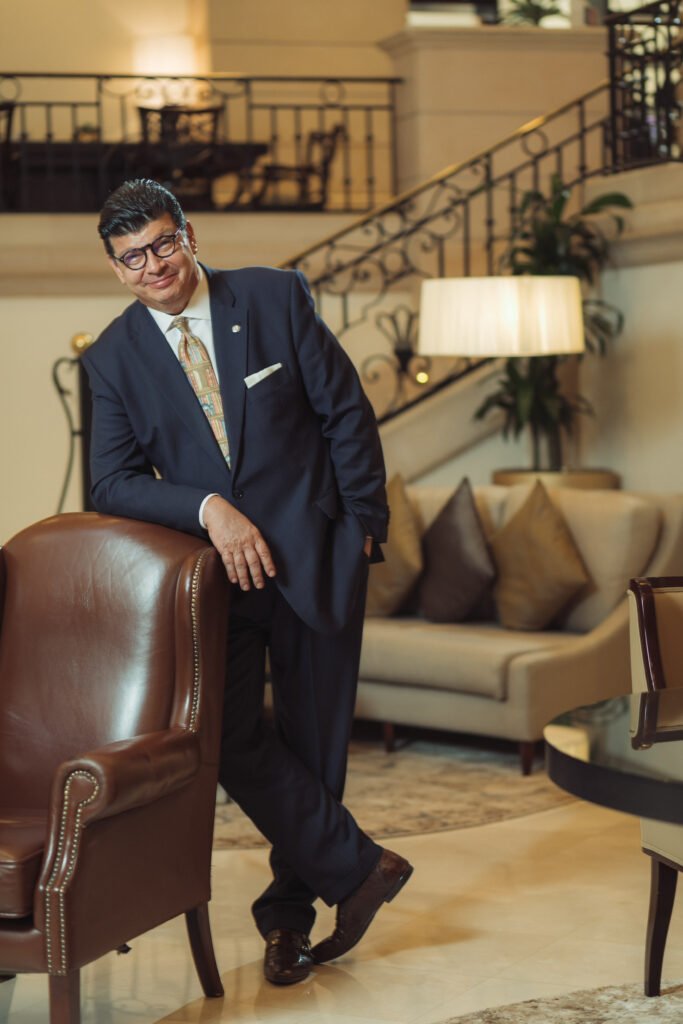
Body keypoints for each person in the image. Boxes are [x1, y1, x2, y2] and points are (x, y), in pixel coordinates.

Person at [81, 179, 413, 987]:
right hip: (214, 577)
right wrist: (209, 509)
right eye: (132, 258)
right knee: (220, 736)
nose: (153, 265)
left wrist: (363, 527)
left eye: (162, 244)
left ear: (188, 235)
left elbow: (345, 412)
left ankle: (287, 922)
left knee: (313, 746)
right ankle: (358, 867)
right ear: (116, 269)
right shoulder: (113, 358)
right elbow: (111, 481)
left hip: (316, 555)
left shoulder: (272, 297)